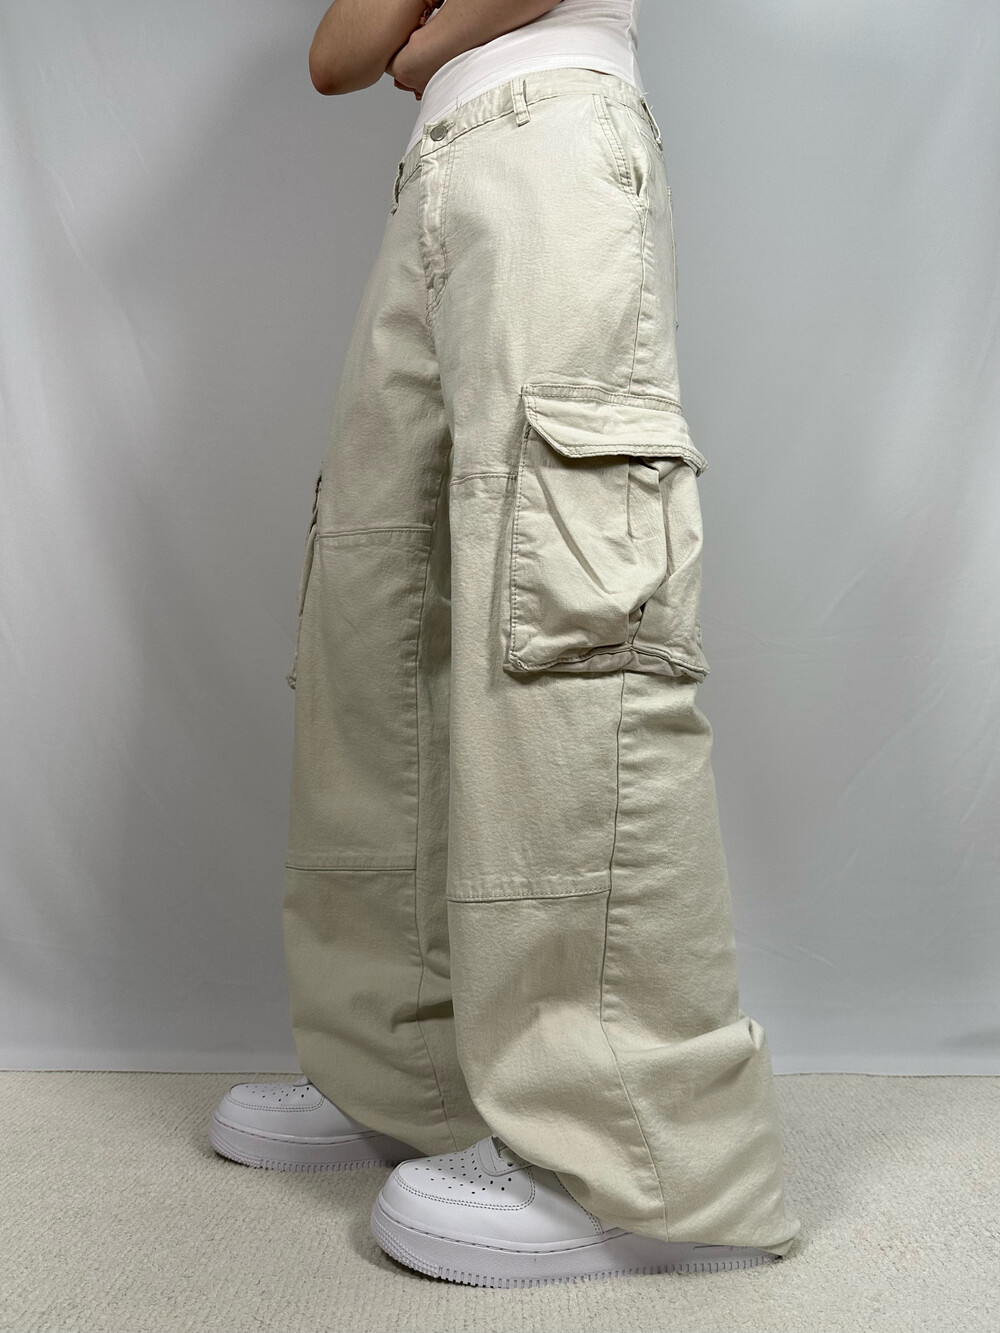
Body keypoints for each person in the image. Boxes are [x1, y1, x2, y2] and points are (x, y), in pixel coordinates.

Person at [208, 0, 802, 1286]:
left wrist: (425, 34)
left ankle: (641, 1164)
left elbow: (394, 40)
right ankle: (407, 1073)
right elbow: (341, 55)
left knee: (570, 627)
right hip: (441, 162)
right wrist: (425, 40)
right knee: (381, 611)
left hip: (554, 142)